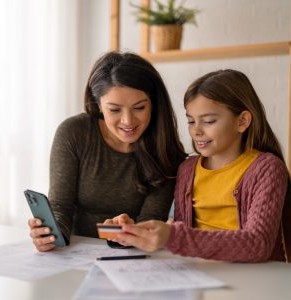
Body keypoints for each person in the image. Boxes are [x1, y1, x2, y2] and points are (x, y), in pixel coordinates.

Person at [113, 69, 291, 263]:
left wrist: (172, 236)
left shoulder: (267, 169)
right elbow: (182, 237)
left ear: (242, 121)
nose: (196, 131)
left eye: (208, 121)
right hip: (199, 273)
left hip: (254, 278)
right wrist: (134, 233)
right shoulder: (187, 169)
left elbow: (258, 244)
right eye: (191, 121)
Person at [28, 51, 186, 252]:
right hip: (74, 251)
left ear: (153, 104)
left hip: (132, 258)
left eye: (139, 108)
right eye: (114, 110)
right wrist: (49, 234)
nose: (128, 121)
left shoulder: (166, 149)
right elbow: (61, 206)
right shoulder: (74, 133)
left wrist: (129, 230)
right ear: (98, 105)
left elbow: (150, 224)